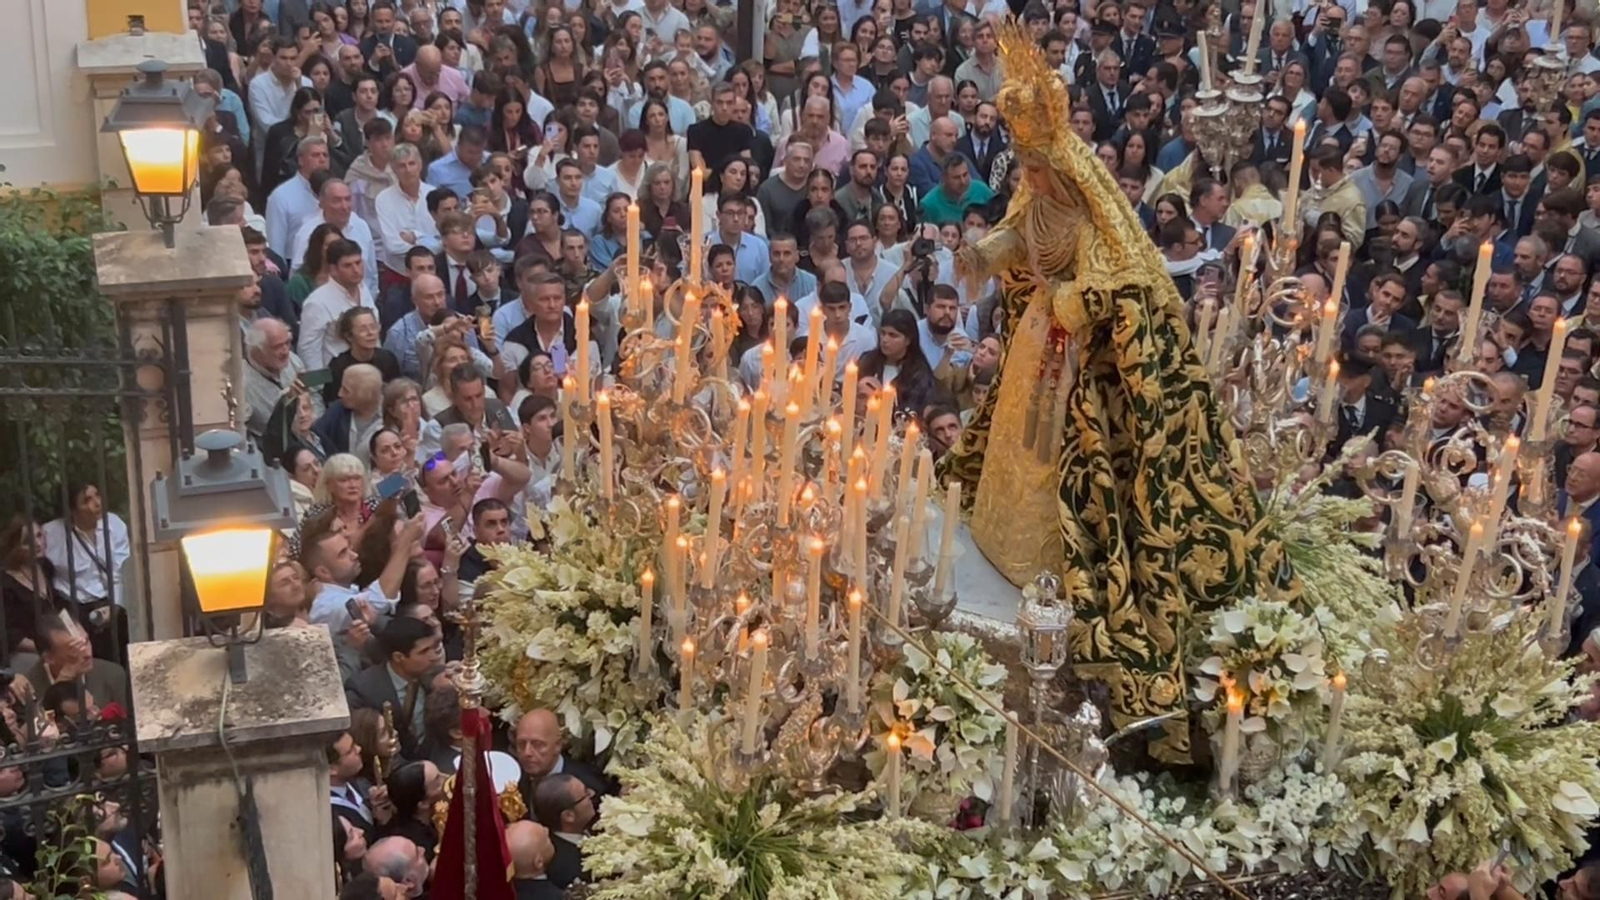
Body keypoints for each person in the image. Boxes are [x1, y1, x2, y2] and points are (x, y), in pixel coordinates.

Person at [948, 27, 1270, 765]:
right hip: (1038, 342)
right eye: (1023, 165)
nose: (1027, 176)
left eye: (1037, 164)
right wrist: (979, 253)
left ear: (1063, 166)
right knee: (1013, 444)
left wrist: (1073, 299)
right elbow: (1010, 243)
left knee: (1065, 459)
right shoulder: (1034, 203)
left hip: (1079, 368)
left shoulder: (1095, 215)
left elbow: (1121, 282)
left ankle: (1054, 559)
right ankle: (1006, 536)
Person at [301, 239, 379, 369]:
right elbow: (309, 350)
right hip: (337, 375)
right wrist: (319, 387)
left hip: (370, 370)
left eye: (358, 263)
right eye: (347, 265)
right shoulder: (317, 302)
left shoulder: (364, 289)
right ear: (333, 269)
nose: (356, 270)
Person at [530, 773, 595, 889]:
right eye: (585, 794)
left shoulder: (594, 823)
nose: (592, 794)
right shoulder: (570, 869)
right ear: (569, 816)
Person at [506, 820, 559, 899]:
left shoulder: (501, 892)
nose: (547, 829)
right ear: (539, 862)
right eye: (546, 838)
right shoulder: (554, 896)